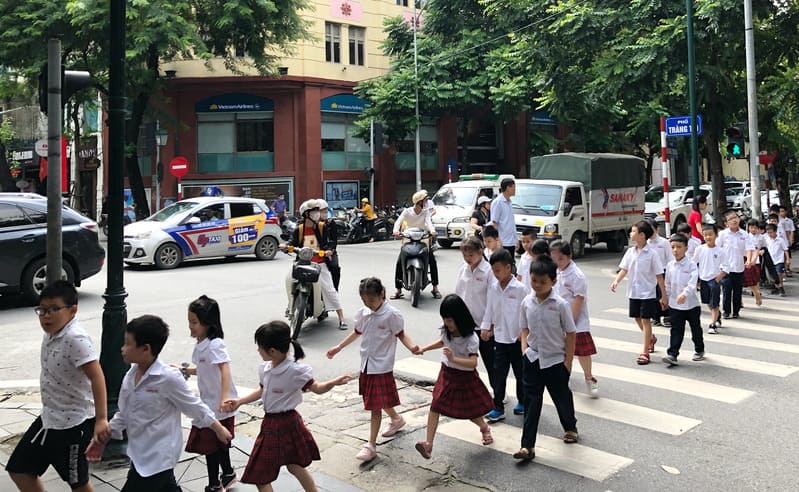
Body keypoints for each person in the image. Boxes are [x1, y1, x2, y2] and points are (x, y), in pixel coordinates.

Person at [87, 315, 233, 490]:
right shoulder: (130, 376)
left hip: (159, 456)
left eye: (127, 343)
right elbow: (125, 413)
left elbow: (194, 406)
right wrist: (105, 435)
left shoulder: (168, 378)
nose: (122, 349)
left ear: (145, 349)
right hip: (139, 454)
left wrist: (218, 428)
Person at [6, 281, 110, 492]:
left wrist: (101, 419)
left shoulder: (76, 338)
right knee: (19, 469)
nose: (46, 316)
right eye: (42, 310)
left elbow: (97, 377)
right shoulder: (53, 333)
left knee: (78, 483)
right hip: (49, 419)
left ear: (73, 310)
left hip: (74, 425)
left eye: (54, 309)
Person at [222, 321, 350, 492]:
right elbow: (262, 389)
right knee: (285, 468)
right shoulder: (265, 368)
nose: (257, 351)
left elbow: (317, 388)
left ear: (272, 351)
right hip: (272, 423)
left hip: (287, 423)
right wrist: (240, 401)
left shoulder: (295, 371)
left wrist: (333, 383)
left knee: (279, 470)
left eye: (259, 347)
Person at [326, 277, 421, 462]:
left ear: (382, 295)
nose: (368, 304)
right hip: (367, 364)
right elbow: (357, 332)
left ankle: (370, 445)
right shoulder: (364, 313)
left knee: (374, 406)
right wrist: (338, 347)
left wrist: (412, 348)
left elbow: (401, 334)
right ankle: (396, 419)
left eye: (371, 300)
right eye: (364, 300)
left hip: (382, 365)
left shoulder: (391, 315)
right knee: (378, 399)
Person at [514, 255, 578, 462]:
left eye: (543, 282)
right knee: (532, 402)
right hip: (532, 359)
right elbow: (524, 328)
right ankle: (527, 446)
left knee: (561, 397)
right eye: (534, 280)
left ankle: (570, 427)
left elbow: (570, 333)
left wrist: (568, 362)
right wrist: (524, 348)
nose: (537, 285)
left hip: (555, 361)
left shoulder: (560, 304)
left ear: (553, 281)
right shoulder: (526, 302)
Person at [414, 295, 494, 459]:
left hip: (464, 378)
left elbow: (473, 363)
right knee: (435, 404)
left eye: (450, 320)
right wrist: (424, 348)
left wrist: (454, 359)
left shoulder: (471, 338)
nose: (447, 324)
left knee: (470, 412)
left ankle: (484, 427)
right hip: (447, 373)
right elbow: (442, 342)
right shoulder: (446, 331)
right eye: (445, 320)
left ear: (460, 318)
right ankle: (428, 444)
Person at [181, 295, 239, 492]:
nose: (191, 326)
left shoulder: (215, 345)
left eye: (194, 322)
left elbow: (224, 369)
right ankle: (228, 474)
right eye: (189, 321)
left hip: (220, 406)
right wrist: (187, 371)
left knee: (211, 446)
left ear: (208, 323)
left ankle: (215, 484)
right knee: (218, 444)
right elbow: (206, 369)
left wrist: (224, 397)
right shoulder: (201, 344)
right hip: (208, 403)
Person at [610, 221, 667, 365]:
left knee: (646, 320)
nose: (630, 234)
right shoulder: (630, 252)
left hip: (648, 292)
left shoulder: (652, 254)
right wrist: (616, 281)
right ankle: (651, 338)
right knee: (636, 317)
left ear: (642, 235)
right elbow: (624, 268)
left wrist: (664, 295)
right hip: (633, 291)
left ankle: (645, 352)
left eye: (633, 231)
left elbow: (659, 276)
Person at [481, 248, 527, 422]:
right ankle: (498, 406)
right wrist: (486, 327)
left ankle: (522, 401)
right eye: (493, 270)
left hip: (516, 339)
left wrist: (524, 335)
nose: (496, 274)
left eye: (498, 270)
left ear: (509, 268)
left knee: (520, 373)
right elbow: (490, 309)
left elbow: (526, 313)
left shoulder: (520, 289)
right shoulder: (494, 287)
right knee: (498, 374)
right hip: (499, 339)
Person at [550, 239, 598, 398]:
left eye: (561, 259)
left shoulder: (577, 275)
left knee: (582, 353)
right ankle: (564, 379)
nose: (558, 263)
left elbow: (578, 300)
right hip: (558, 318)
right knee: (561, 352)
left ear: (569, 256)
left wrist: (569, 323)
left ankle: (589, 378)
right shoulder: (556, 271)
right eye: (554, 260)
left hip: (576, 320)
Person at [289, 199, 347, 329]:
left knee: (330, 290)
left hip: (319, 264)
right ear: (306, 214)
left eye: (317, 211)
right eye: (314, 211)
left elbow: (328, 243)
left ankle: (341, 318)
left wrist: (328, 251)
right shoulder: (299, 229)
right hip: (303, 263)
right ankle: (291, 308)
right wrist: (286, 246)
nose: (317, 213)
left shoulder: (322, 227)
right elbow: (292, 242)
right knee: (289, 279)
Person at [454, 236, 496, 391]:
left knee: (490, 362)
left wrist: (488, 325)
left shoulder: (488, 272)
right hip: (465, 324)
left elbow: (492, 300)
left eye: (471, 255)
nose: (467, 259)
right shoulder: (463, 269)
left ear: (480, 251)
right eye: (465, 255)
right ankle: (467, 391)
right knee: (464, 360)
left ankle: (499, 392)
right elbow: (458, 295)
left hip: (483, 326)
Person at [662, 235, 705, 366]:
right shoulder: (670, 265)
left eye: (679, 247)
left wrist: (685, 294)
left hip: (691, 305)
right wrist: (666, 297)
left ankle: (699, 349)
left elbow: (693, 284)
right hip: (675, 305)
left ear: (686, 248)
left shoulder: (691, 265)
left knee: (695, 329)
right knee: (676, 330)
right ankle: (673, 354)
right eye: (673, 247)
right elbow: (667, 284)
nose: (676, 250)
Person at [392, 190, 441, 299]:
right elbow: (398, 222)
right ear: (419, 202)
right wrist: (396, 231)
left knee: (432, 260)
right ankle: (398, 289)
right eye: (425, 200)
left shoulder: (426, 212)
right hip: (408, 237)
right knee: (400, 262)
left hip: (423, 237)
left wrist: (432, 231)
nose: (426, 202)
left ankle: (435, 288)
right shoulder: (407, 211)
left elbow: (429, 223)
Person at [717, 210, 753, 319]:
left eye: (736, 217)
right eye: (731, 219)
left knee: (737, 291)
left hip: (739, 267)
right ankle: (726, 311)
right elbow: (717, 249)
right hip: (726, 268)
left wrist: (749, 259)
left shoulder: (744, 234)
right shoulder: (723, 234)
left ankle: (736, 311)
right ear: (726, 223)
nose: (734, 220)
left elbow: (749, 248)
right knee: (726, 290)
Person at [693, 223, 726, 334]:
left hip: (714, 280)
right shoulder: (699, 249)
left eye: (710, 234)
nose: (708, 237)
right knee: (707, 301)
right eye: (705, 235)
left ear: (716, 235)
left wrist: (718, 277)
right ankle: (717, 315)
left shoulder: (720, 251)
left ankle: (712, 325)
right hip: (703, 279)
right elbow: (693, 263)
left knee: (714, 303)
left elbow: (726, 267)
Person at [489, 177, 518, 271]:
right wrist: (498, 241)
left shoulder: (509, 202)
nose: (515, 189)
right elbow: (494, 222)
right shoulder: (498, 202)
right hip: (503, 241)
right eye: (513, 187)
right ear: (507, 188)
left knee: (511, 265)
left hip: (511, 240)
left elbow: (511, 222)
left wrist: (516, 239)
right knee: (504, 267)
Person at [647, 219, 672, 327]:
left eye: (651, 229)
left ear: (657, 230)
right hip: (650, 273)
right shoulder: (646, 243)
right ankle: (655, 317)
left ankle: (667, 316)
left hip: (663, 271)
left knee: (663, 295)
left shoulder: (664, 242)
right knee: (652, 296)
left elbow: (670, 259)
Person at [318, 199, 342, 292]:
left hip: (328, 251)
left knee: (335, 266)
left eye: (326, 211)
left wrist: (331, 250)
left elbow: (333, 239)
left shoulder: (330, 223)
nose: (325, 213)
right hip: (315, 251)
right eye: (322, 211)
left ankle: (335, 290)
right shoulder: (311, 223)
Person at [744, 219, 765, 306]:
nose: (753, 229)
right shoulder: (745, 236)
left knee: (756, 277)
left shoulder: (761, 237)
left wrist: (762, 251)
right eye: (751, 227)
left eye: (755, 228)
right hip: (745, 259)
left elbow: (764, 247)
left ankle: (757, 292)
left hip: (756, 260)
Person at [765, 223, 788, 297]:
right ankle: (777, 287)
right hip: (770, 260)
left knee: (779, 273)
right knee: (772, 275)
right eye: (768, 232)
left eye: (771, 232)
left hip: (779, 259)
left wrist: (787, 259)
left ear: (775, 231)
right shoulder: (766, 240)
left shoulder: (780, 240)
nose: (770, 234)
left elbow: (785, 250)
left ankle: (781, 287)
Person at [778, 205, 794, 275]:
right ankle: (783, 269)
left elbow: (791, 231)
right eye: (780, 211)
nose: (781, 213)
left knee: (788, 255)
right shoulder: (778, 221)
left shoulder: (789, 221)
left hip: (786, 240)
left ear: (786, 212)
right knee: (782, 255)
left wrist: (790, 239)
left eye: (782, 211)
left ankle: (787, 268)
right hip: (780, 241)